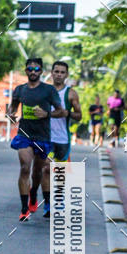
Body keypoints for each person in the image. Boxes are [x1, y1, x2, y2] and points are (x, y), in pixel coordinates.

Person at [7, 58, 64, 221]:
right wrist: (11, 115)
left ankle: (33, 194)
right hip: (24, 135)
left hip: (43, 136)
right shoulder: (19, 90)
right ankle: (24, 209)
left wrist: (47, 114)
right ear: (26, 70)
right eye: (30, 69)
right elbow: (13, 107)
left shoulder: (48, 91)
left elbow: (60, 111)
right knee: (25, 168)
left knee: (37, 172)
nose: (33, 72)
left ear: (41, 71)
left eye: (36, 69)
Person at [40, 61, 82, 217]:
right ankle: (48, 204)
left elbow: (79, 116)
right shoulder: (43, 91)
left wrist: (68, 114)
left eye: (62, 72)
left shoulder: (71, 93)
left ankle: (58, 198)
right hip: (45, 137)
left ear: (67, 75)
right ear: (51, 73)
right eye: (56, 71)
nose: (59, 74)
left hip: (63, 139)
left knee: (59, 173)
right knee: (46, 169)